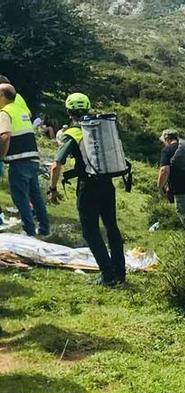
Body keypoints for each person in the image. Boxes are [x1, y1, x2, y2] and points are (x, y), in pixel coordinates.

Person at [48, 93, 125, 286]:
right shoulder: (100, 128)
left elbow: (56, 164)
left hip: (88, 186)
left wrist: (52, 188)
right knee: (111, 227)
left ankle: (107, 276)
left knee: (90, 231)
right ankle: (120, 273)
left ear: (69, 111)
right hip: (107, 183)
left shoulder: (74, 132)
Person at [0, 83, 50, 237]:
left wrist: (1, 155)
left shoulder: (4, 113)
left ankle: (28, 231)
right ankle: (44, 228)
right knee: (35, 196)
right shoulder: (21, 110)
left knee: (20, 197)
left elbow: (5, 136)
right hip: (32, 158)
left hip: (18, 160)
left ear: (2, 96)